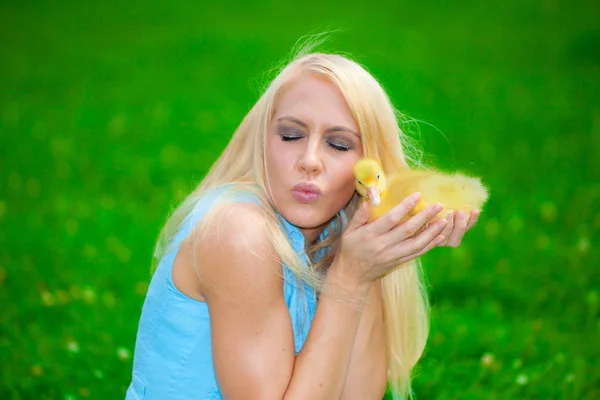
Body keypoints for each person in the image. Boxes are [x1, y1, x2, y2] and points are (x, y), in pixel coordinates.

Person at [125, 47, 480, 400]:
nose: (310, 161)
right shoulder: (238, 233)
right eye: (291, 136)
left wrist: (376, 246)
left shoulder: (336, 233)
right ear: (262, 140)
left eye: (339, 144)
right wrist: (349, 279)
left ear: (368, 165)